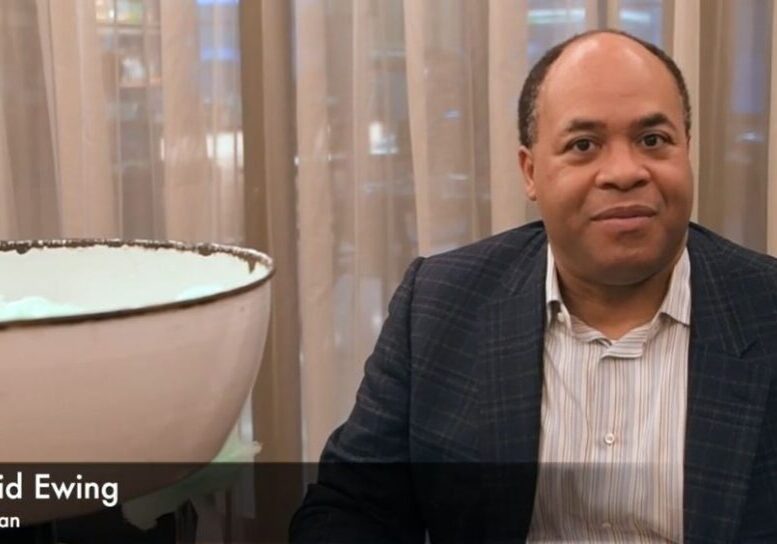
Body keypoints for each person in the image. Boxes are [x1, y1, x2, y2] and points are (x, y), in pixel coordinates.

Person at [290, 29, 777, 543]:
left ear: (687, 152)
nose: (624, 172)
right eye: (583, 145)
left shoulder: (765, 309)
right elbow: (350, 507)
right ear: (530, 172)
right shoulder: (439, 305)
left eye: (652, 140)